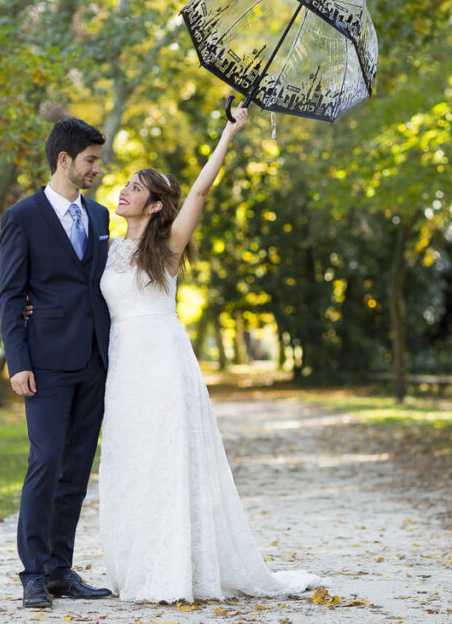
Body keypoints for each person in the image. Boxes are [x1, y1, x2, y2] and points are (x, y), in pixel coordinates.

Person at [96, 107, 321, 602]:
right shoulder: (106, 248)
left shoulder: (168, 249)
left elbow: (198, 192)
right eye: (126, 185)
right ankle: (138, 567)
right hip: (124, 370)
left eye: (136, 188)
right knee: (132, 464)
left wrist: (229, 131)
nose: (125, 191)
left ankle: (176, 571)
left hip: (164, 365)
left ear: (154, 206)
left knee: (169, 463)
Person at [0, 117, 115, 609]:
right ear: (64, 160)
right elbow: (10, 295)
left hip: (95, 359)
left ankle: (60, 570)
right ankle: (32, 572)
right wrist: (16, 360)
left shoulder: (103, 216)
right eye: (91, 160)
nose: (98, 169)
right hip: (44, 362)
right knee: (45, 461)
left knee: (76, 468)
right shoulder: (21, 216)